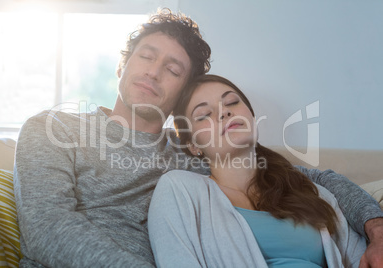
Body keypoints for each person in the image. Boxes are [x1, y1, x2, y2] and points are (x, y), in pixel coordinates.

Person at [13, 8, 383, 268]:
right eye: (146, 57)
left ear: (181, 96)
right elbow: (47, 228)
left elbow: (312, 179)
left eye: (172, 69)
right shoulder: (56, 130)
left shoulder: (194, 150)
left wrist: (375, 227)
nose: (154, 72)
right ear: (122, 65)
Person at [148, 74, 381, 267]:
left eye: (231, 103)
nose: (223, 113)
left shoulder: (311, 191)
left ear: (251, 116)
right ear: (193, 145)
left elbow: (362, 257)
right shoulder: (179, 189)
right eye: (204, 115)